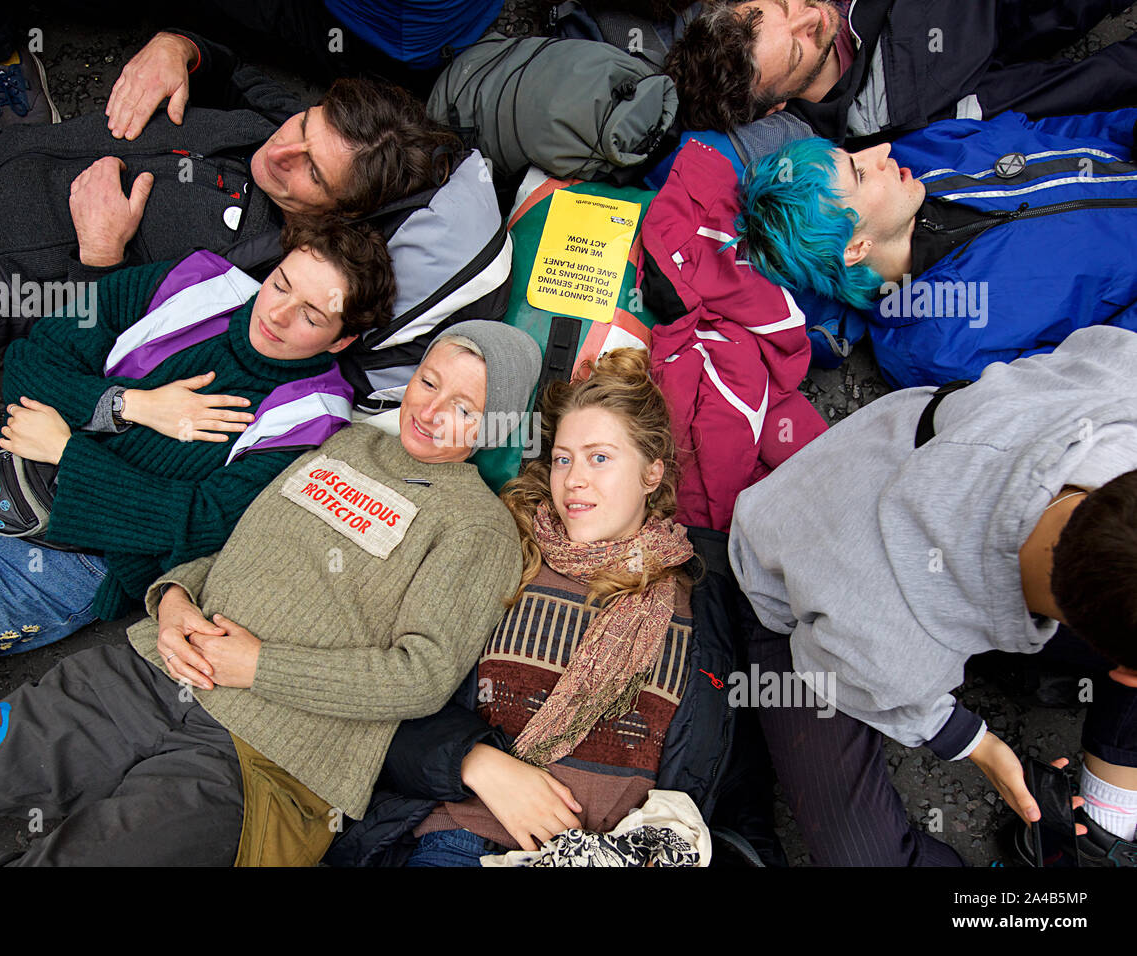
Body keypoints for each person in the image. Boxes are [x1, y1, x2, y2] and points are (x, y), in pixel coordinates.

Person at [0, 320, 542, 866]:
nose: (432, 409)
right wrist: (172, 597)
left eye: (465, 406)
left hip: (266, 760)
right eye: (429, 382)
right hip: (148, 673)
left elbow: (420, 676)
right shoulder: (343, 445)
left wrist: (258, 666)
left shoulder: (476, 527)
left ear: (498, 427)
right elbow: (229, 550)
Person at [0, 218, 395, 714]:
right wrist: (132, 406)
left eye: (311, 315)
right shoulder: (195, 282)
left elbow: (197, 525)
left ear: (341, 338)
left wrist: (68, 450)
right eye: (280, 284)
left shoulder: (313, 420)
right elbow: (34, 358)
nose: (276, 313)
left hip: (63, 571)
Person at [0, 27, 460, 455]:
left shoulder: (261, 277)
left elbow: (111, 353)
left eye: (313, 172)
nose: (282, 151)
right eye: (303, 126)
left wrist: (100, 256)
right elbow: (229, 66)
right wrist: (179, 48)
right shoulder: (284, 131)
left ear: (342, 210)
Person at [728, 324, 1137, 866]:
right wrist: (977, 743)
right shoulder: (897, 655)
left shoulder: (1119, 406)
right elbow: (837, 665)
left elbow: (1100, 348)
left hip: (904, 449)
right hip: (799, 617)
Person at [332, 348, 732, 866]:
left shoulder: (704, 601)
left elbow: (730, 774)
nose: (575, 479)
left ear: (652, 473)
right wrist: (474, 763)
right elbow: (389, 696)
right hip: (464, 841)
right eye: (563, 458)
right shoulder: (505, 554)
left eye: (600, 457)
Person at [733, 107, 1137, 388]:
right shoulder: (939, 351)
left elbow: (1042, 134)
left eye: (854, 156)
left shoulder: (920, 158)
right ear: (854, 247)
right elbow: (1095, 366)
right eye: (859, 174)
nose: (881, 151)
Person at [666, 0, 1137, 142]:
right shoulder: (904, 113)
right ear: (779, 107)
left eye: (786, 5)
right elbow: (1091, 83)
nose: (812, 17)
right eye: (799, 48)